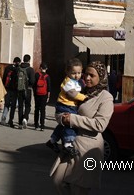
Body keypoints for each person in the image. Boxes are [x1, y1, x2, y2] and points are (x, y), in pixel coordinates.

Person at [50, 61, 114, 195]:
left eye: (92, 75)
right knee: (58, 180)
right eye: (86, 74)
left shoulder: (105, 97)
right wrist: (61, 118)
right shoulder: (79, 90)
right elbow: (62, 109)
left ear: (101, 77)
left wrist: (73, 119)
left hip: (88, 148)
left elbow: (100, 124)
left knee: (78, 188)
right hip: (72, 144)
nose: (87, 78)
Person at [47, 58, 86, 156]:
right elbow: (72, 94)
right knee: (70, 124)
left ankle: (52, 140)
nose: (77, 75)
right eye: (74, 73)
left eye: (79, 73)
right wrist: (85, 98)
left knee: (62, 125)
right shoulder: (68, 82)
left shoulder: (76, 81)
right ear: (67, 72)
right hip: (65, 106)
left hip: (70, 106)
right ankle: (68, 144)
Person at [1, 57, 21, 128]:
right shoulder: (18, 69)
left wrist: (3, 87)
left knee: (6, 104)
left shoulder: (7, 68)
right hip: (15, 90)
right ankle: (11, 120)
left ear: (13, 61)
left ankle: (3, 117)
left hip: (7, 89)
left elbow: (3, 78)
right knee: (13, 105)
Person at [33, 62, 51, 131]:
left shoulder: (37, 75)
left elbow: (34, 85)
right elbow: (49, 87)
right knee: (43, 110)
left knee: (36, 109)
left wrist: (35, 93)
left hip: (37, 94)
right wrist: (48, 96)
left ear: (40, 68)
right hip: (44, 95)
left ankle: (36, 125)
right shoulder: (47, 77)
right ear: (46, 68)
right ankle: (42, 125)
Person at [19, 54, 35, 129]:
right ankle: (25, 118)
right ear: (29, 60)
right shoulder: (30, 69)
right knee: (27, 105)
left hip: (19, 89)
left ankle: (19, 123)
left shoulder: (19, 68)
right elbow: (32, 81)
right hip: (27, 89)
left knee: (20, 105)